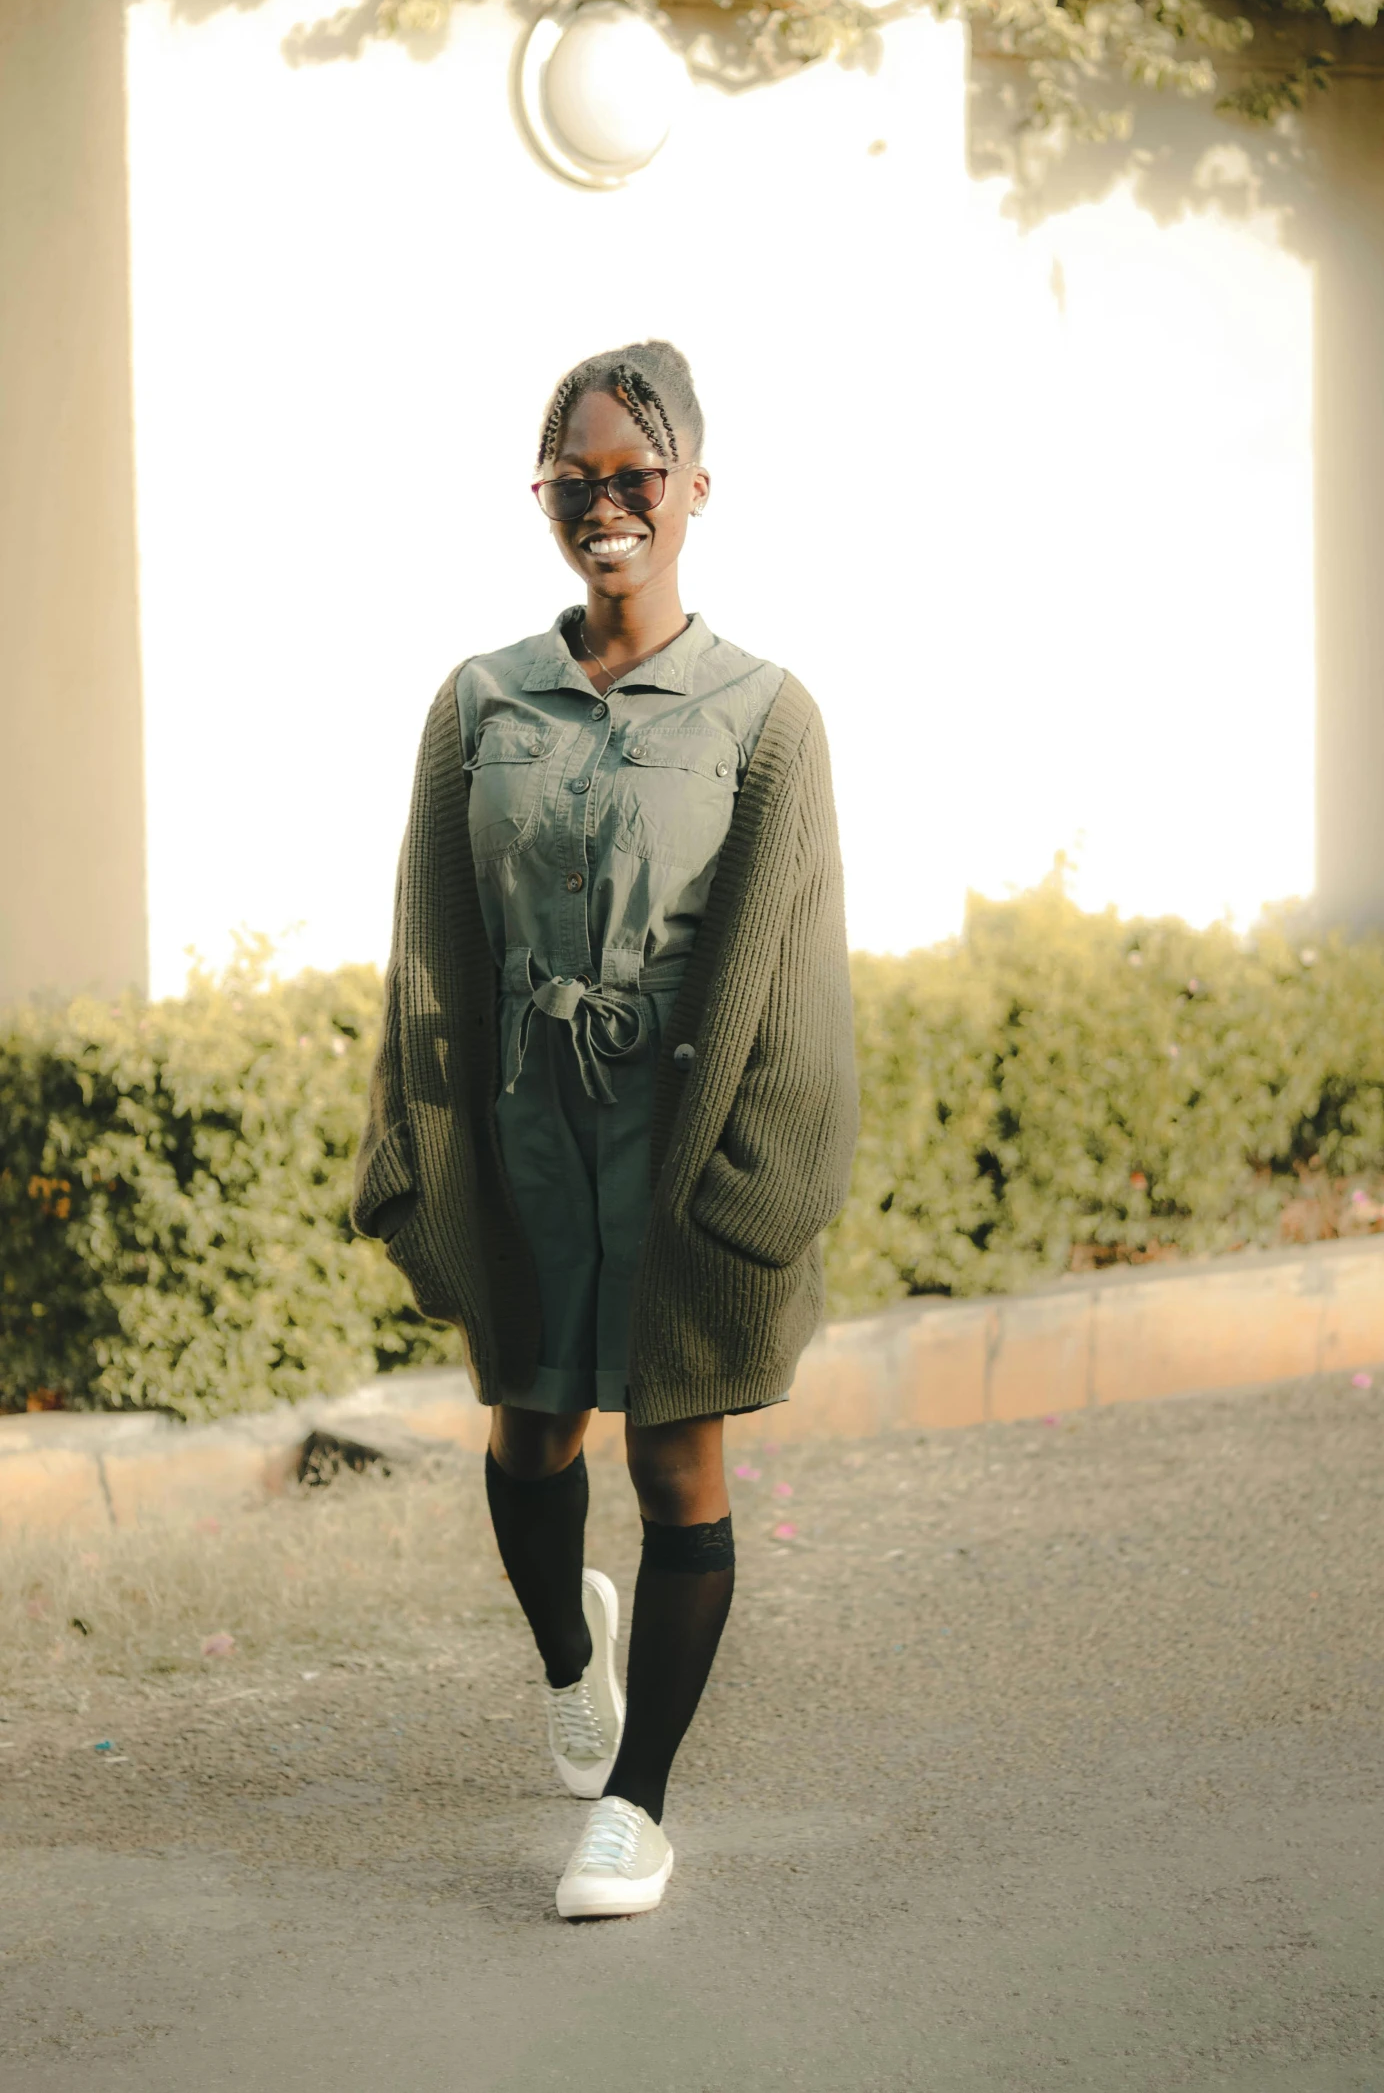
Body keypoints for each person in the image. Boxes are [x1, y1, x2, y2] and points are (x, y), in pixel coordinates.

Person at [352, 339, 858, 1920]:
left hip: (677, 1141)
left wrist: (760, 1187)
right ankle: (574, 1662)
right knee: (525, 1435)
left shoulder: (765, 717)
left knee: (675, 1459)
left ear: (693, 490)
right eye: (574, 482)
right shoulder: (477, 703)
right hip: (522, 1139)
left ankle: (635, 1807)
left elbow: (797, 969)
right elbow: (430, 943)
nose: (605, 506)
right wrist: (412, 1149)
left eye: (635, 477)